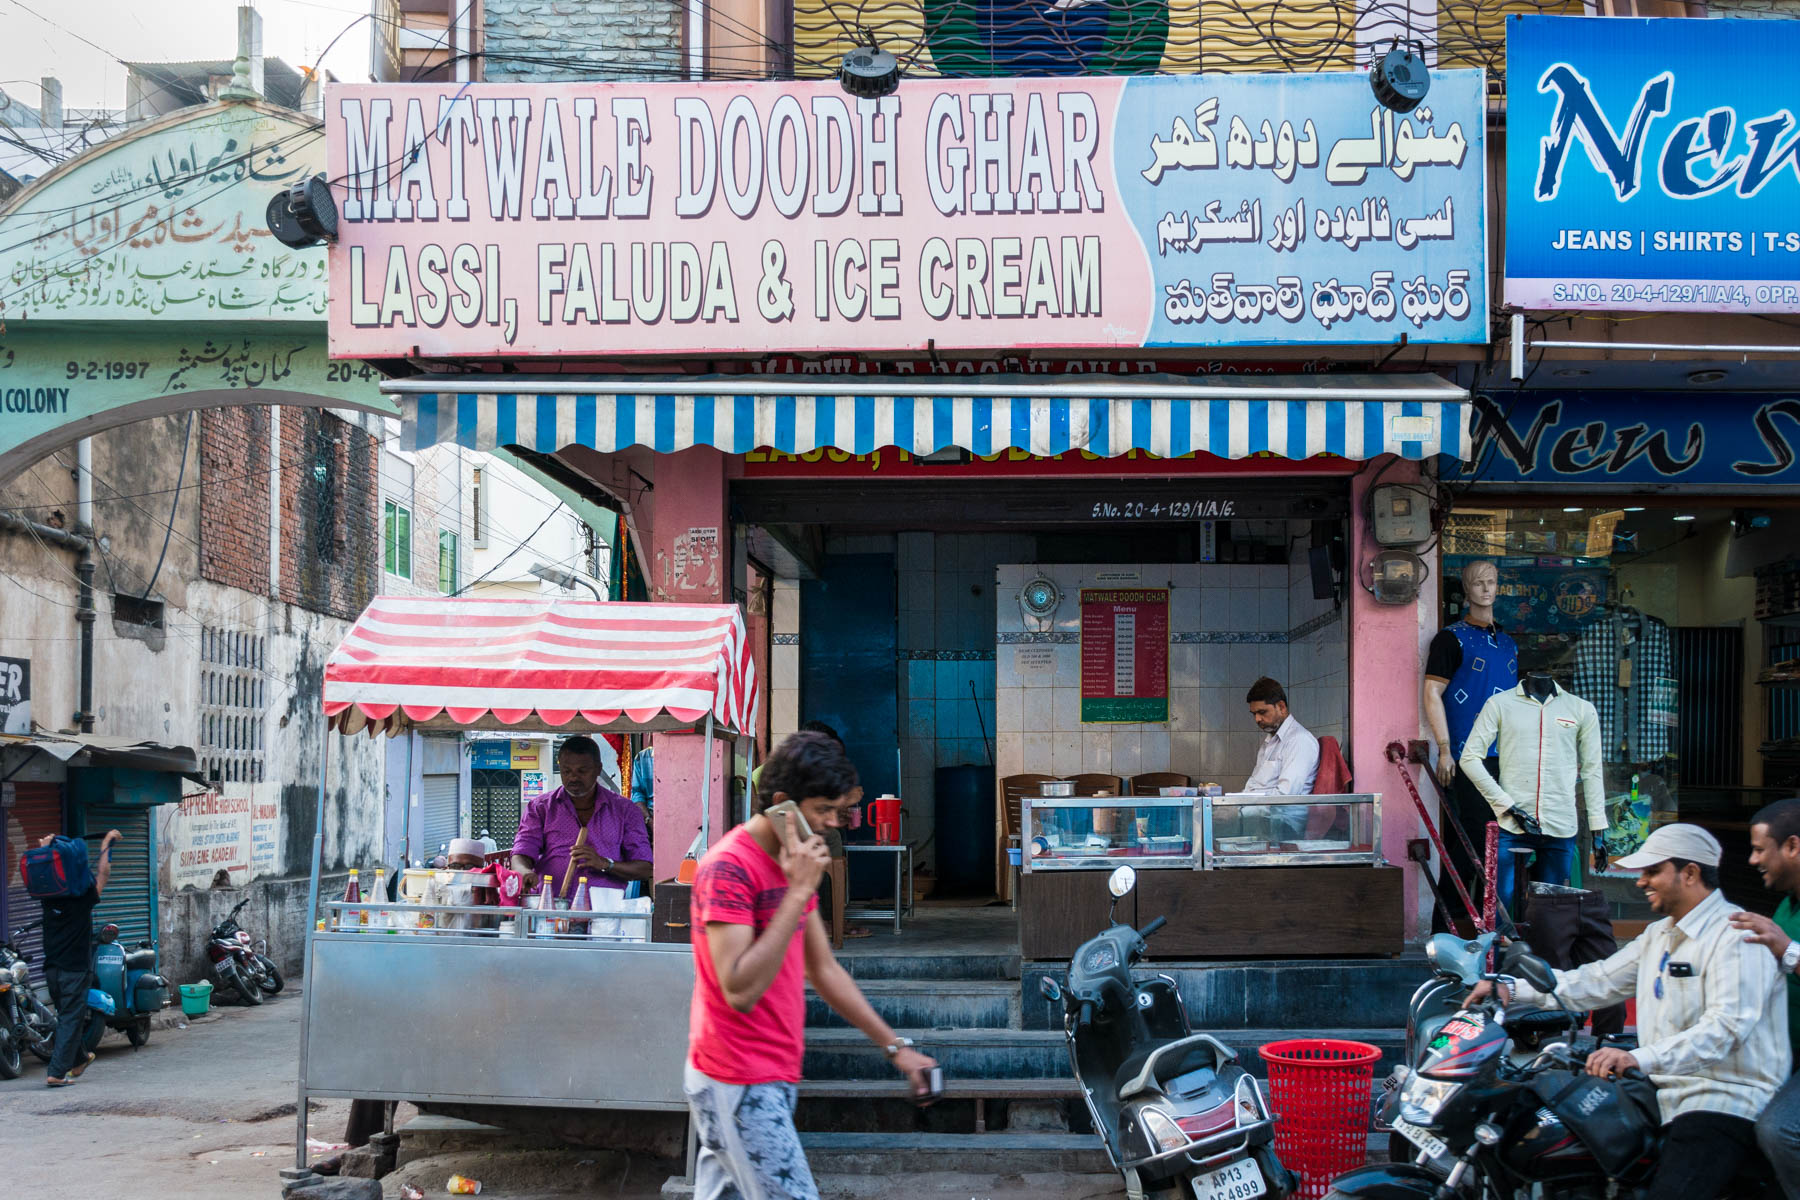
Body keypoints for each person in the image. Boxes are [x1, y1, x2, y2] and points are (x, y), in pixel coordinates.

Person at [1469, 824, 1787, 1200]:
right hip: (1663, 1090)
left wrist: (1636, 1057)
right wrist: (1511, 988)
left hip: (1722, 1098)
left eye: (1653, 872)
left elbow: (1725, 1029)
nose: (1642, 882)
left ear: (1690, 873)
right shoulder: (1660, 934)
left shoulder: (1736, 935)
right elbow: (1597, 981)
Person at [686, 731, 937, 1199]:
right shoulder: (729, 868)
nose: (831, 824)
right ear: (783, 803)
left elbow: (822, 969)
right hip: (737, 1076)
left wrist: (896, 1047)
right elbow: (738, 989)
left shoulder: (790, 862)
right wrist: (800, 891)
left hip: (771, 1071)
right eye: (823, 810)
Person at [1423, 560, 1520, 910]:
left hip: (1506, 757)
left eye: (1491, 582)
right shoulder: (1451, 639)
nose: (1486, 589)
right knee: (1471, 841)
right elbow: (1432, 693)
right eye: (1478, 583)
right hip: (1468, 756)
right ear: (1465, 589)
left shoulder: (1508, 643)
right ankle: (1452, 923)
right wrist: (1445, 748)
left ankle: (1491, 922)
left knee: (1500, 843)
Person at [1733, 798, 1800, 1197]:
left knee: (1781, 1130)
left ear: (1792, 846)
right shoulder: (1785, 904)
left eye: (1760, 849)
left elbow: (1786, 952)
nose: (1754, 860)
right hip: (1783, 1054)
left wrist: (1787, 950)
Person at [511, 735, 653, 895]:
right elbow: (521, 853)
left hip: (605, 914)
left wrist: (606, 864)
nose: (573, 777)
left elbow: (645, 868)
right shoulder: (540, 808)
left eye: (582, 771)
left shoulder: (625, 810)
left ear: (598, 769)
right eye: (566, 771)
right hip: (551, 910)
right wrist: (523, 872)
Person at [39, 828, 120, 1087]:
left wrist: (45, 849)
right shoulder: (82, 898)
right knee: (70, 1019)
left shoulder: (47, 897)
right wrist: (106, 844)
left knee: (66, 1016)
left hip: (51, 968)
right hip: (74, 969)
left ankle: (80, 1059)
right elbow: (104, 874)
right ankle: (57, 1072)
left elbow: (44, 872)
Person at [1238, 677, 1319, 842]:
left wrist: (1239, 811)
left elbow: (1285, 796)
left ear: (1281, 707)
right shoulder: (1271, 742)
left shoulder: (1299, 740)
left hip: (1287, 831)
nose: (1257, 719)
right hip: (1266, 824)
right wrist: (1231, 805)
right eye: (1254, 714)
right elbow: (1254, 786)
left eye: (1262, 712)